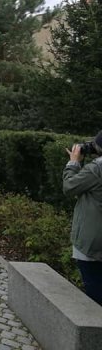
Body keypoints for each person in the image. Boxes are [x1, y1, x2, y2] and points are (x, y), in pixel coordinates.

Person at [63, 131, 102, 305]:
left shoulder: (96, 170)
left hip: (92, 243)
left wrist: (73, 163)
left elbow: (70, 187)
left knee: (95, 291)